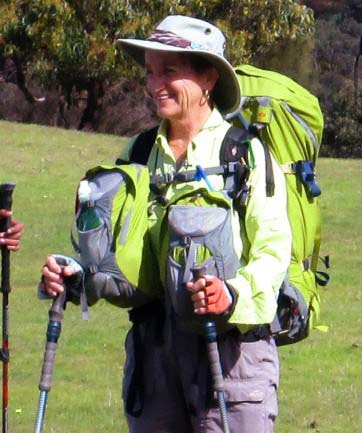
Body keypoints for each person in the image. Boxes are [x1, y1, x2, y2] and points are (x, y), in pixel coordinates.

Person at [41, 15, 292, 433]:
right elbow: (121, 253)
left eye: (169, 71)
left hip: (231, 358)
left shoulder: (244, 154)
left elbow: (272, 251)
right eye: (150, 72)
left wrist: (230, 294)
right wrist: (77, 274)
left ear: (208, 77)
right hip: (153, 357)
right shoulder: (137, 152)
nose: (155, 84)